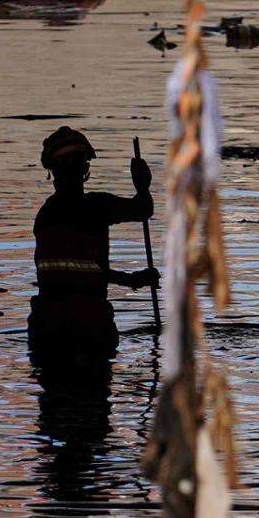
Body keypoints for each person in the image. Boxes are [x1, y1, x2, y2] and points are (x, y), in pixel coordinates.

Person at [28, 127, 157, 376]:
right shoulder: (97, 207)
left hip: (47, 331)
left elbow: (78, 273)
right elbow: (143, 209)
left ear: (52, 172)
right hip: (91, 329)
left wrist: (133, 280)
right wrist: (143, 187)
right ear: (85, 169)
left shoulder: (44, 217)